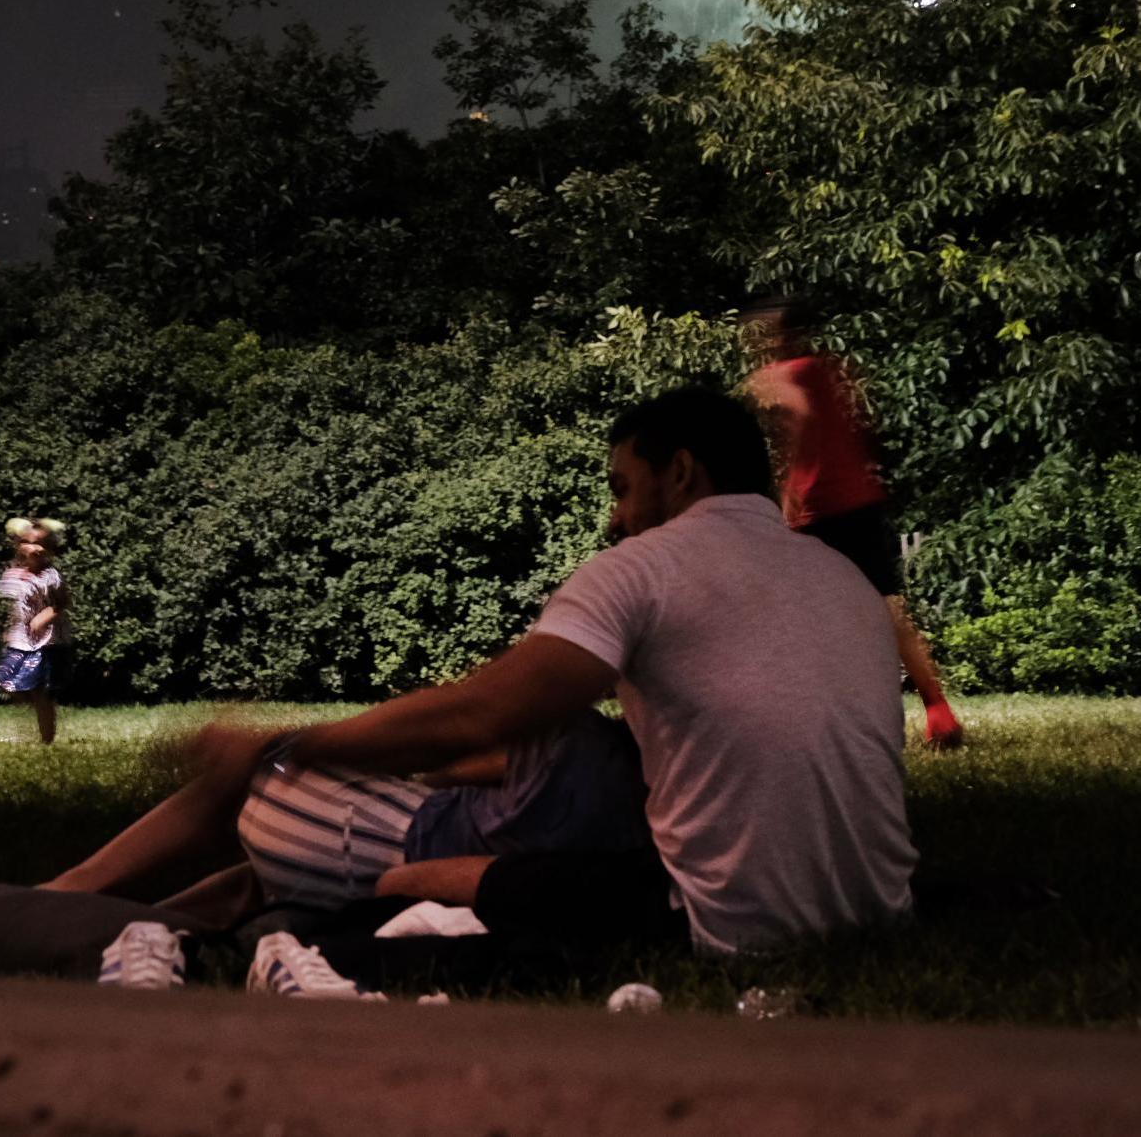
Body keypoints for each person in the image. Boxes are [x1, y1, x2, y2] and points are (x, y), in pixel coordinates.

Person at [49, 388, 918, 958]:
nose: (616, 520)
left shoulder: (648, 569)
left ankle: (62, 905)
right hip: (877, 911)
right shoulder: (838, 574)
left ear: (679, 472)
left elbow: (479, 713)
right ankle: (120, 910)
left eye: (623, 487)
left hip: (721, 922)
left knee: (280, 794)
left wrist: (282, 742)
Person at [741, 295, 965, 748]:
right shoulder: (827, 368)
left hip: (818, 510)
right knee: (887, 611)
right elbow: (858, 427)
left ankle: (804, 717)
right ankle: (939, 711)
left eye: (759, 332)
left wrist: (791, 492)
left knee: (789, 613)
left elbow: (800, 421)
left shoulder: (777, 377)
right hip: (860, 502)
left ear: (774, 335)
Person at [0, 516, 74, 745]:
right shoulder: (13, 575)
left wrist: (42, 617)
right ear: (19, 546)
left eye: (43, 545)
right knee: (4, 682)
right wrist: (10, 629)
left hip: (47, 643)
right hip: (22, 641)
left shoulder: (50, 576)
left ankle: (46, 739)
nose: (36, 548)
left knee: (41, 693)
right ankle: (36, 705)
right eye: (29, 542)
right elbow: (14, 608)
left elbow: (62, 602)